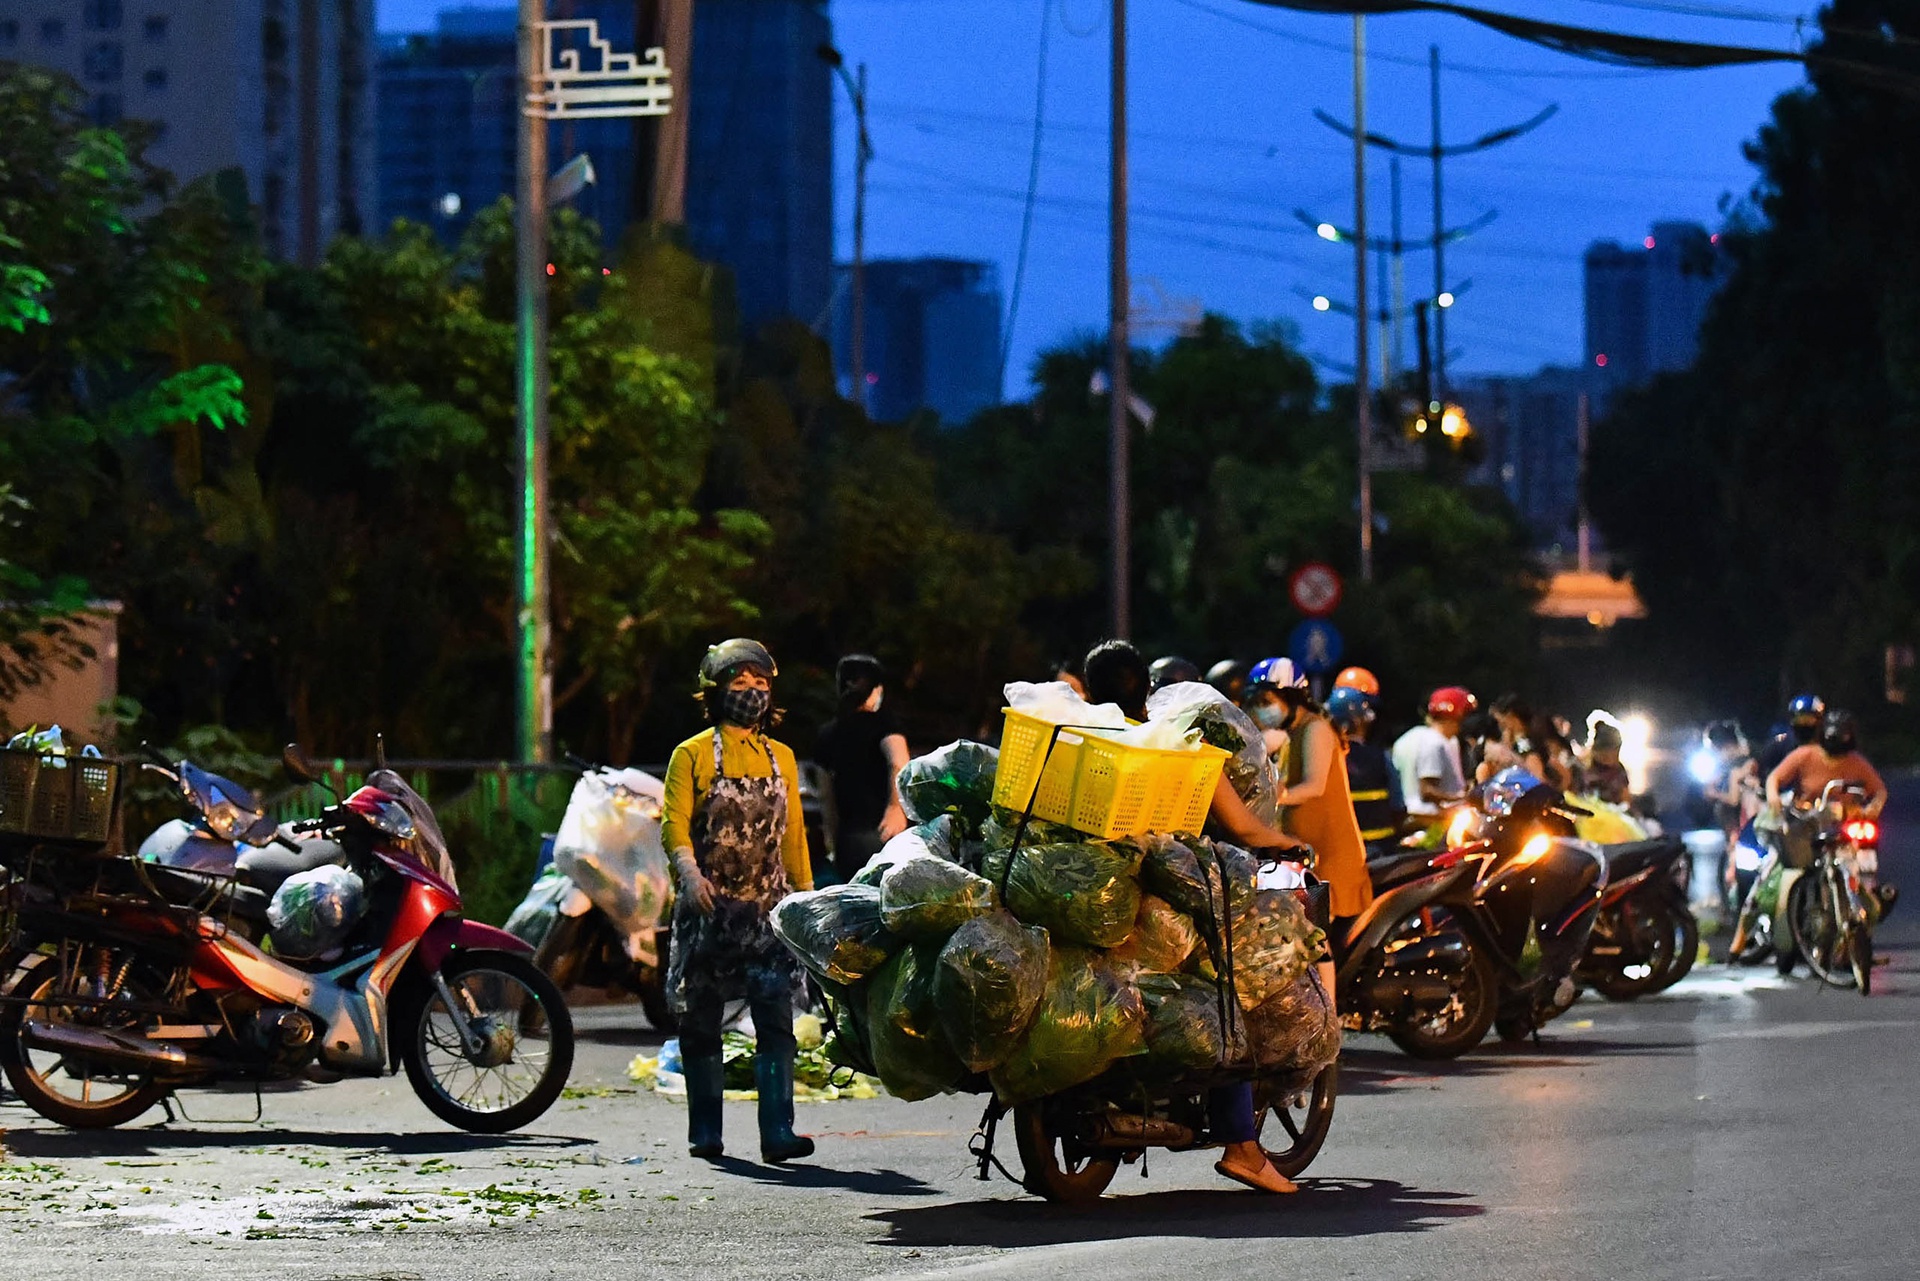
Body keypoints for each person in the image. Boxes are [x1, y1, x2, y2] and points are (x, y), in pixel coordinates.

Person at [1085, 640, 1317, 1195]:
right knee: (1227, 996)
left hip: (1097, 901)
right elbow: (1245, 829)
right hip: (1169, 902)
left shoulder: (1080, 744)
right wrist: (1295, 845)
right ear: (1147, 688)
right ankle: (1241, 1146)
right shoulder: (1176, 744)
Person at [663, 639, 816, 1164]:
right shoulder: (693, 754)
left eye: (760, 685)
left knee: (775, 1021)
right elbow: (673, 824)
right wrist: (688, 875)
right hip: (708, 913)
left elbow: (794, 837)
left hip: (767, 913)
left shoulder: (784, 758)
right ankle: (706, 1132)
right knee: (701, 1022)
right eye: (739, 684)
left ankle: (778, 1132)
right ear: (715, 693)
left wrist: (808, 901)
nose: (751, 694)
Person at [815, 654, 912, 886]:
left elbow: (825, 793)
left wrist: (832, 838)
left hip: (849, 835)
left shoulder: (828, 732)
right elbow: (899, 761)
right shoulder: (886, 723)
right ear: (877, 690)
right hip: (885, 831)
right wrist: (895, 807)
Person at [1328, 685, 1403, 857]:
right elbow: (1398, 805)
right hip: (1381, 852)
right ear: (1362, 720)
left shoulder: (1324, 759)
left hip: (1340, 853)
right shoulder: (1380, 757)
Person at [1391, 688, 1474, 819]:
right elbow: (1427, 790)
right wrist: (1461, 797)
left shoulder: (1444, 740)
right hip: (1429, 817)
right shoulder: (1433, 743)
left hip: (1424, 813)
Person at [1755, 693, 1824, 778]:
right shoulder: (1782, 743)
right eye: (1799, 719)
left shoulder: (1827, 744)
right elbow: (1762, 766)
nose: (1803, 724)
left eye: (1808, 719)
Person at [1580, 713, 1632, 806]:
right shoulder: (1583, 769)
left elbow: (1626, 799)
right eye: (1612, 753)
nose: (1615, 757)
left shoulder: (1619, 770)